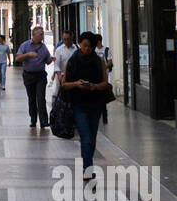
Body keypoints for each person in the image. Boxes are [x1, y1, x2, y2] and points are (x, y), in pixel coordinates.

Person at [61, 32, 112, 181]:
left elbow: (105, 83)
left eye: (90, 46)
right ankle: (88, 169)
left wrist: (94, 87)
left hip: (95, 104)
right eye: (84, 45)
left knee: (92, 138)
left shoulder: (99, 61)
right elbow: (64, 83)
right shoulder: (73, 61)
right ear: (80, 44)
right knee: (86, 137)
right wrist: (77, 84)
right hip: (78, 104)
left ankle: (86, 164)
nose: (87, 49)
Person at [15, 26, 53, 129]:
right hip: (29, 75)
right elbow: (17, 58)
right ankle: (33, 119)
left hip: (40, 75)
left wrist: (51, 59)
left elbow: (47, 61)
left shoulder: (43, 47)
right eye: (40, 34)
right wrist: (28, 54)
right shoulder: (25, 45)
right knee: (31, 98)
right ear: (34, 35)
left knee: (41, 98)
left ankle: (44, 121)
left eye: (42, 34)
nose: (42, 36)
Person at [94, 32, 113, 124]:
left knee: (102, 94)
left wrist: (103, 68)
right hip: (95, 76)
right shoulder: (93, 50)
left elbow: (109, 61)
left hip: (104, 76)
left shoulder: (106, 50)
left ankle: (104, 115)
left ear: (99, 41)